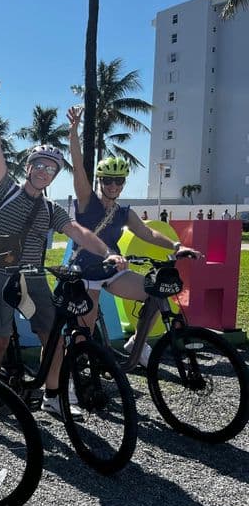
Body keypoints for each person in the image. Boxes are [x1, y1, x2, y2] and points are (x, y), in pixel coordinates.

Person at [0, 78, 127, 440]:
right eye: (39, 165)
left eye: (51, 169)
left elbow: (77, 231)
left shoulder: (50, 209)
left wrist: (109, 252)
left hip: (31, 274)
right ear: (29, 167)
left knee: (54, 337)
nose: (44, 172)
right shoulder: (5, 190)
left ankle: (54, 397)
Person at [66, 106, 201, 366]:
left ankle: (136, 344)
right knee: (84, 333)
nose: (113, 186)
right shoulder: (86, 201)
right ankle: (70, 381)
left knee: (156, 295)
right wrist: (73, 132)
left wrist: (176, 245)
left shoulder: (124, 213)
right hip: (84, 271)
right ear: (100, 181)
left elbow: (148, 233)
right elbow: (78, 168)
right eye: (108, 181)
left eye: (118, 181)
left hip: (112, 269)